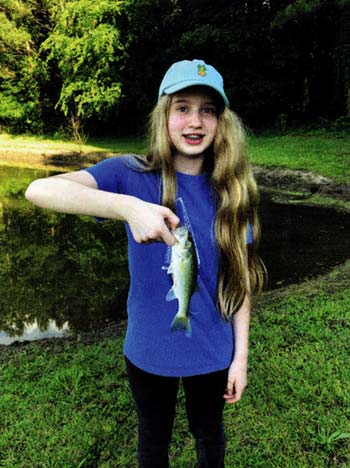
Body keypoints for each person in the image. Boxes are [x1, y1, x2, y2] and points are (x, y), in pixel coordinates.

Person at [25, 59, 265, 468]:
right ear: (163, 115)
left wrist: (240, 357)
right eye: (182, 107)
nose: (195, 121)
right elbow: (39, 190)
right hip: (148, 350)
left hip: (212, 351)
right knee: (153, 439)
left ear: (222, 121)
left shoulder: (232, 190)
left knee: (209, 435)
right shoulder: (130, 174)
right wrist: (127, 207)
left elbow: (239, 283)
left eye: (208, 109)